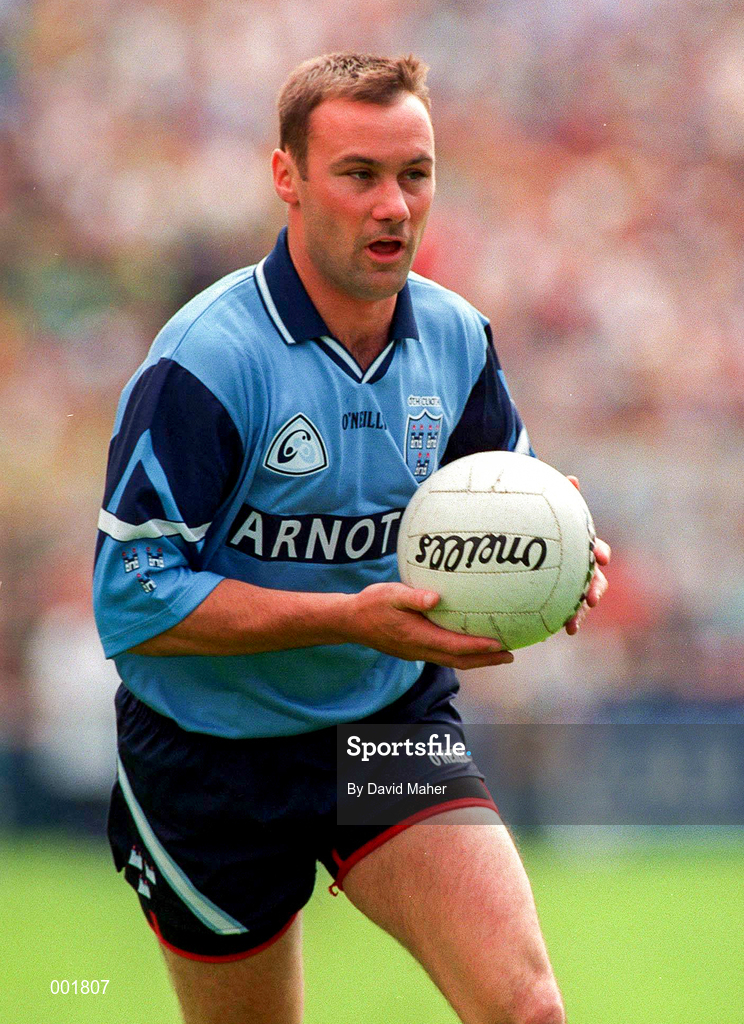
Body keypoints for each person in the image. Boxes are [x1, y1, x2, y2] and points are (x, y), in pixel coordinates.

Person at [94, 52, 609, 1024]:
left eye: (415, 174)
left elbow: (509, 502)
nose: (394, 206)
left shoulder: (458, 339)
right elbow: (130, 599)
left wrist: (564, 555)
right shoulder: (206, 363)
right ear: (286, 177)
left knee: (527, 1009)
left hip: (383, 728)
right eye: (359, 174)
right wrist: (355, 616)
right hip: (211, 757)